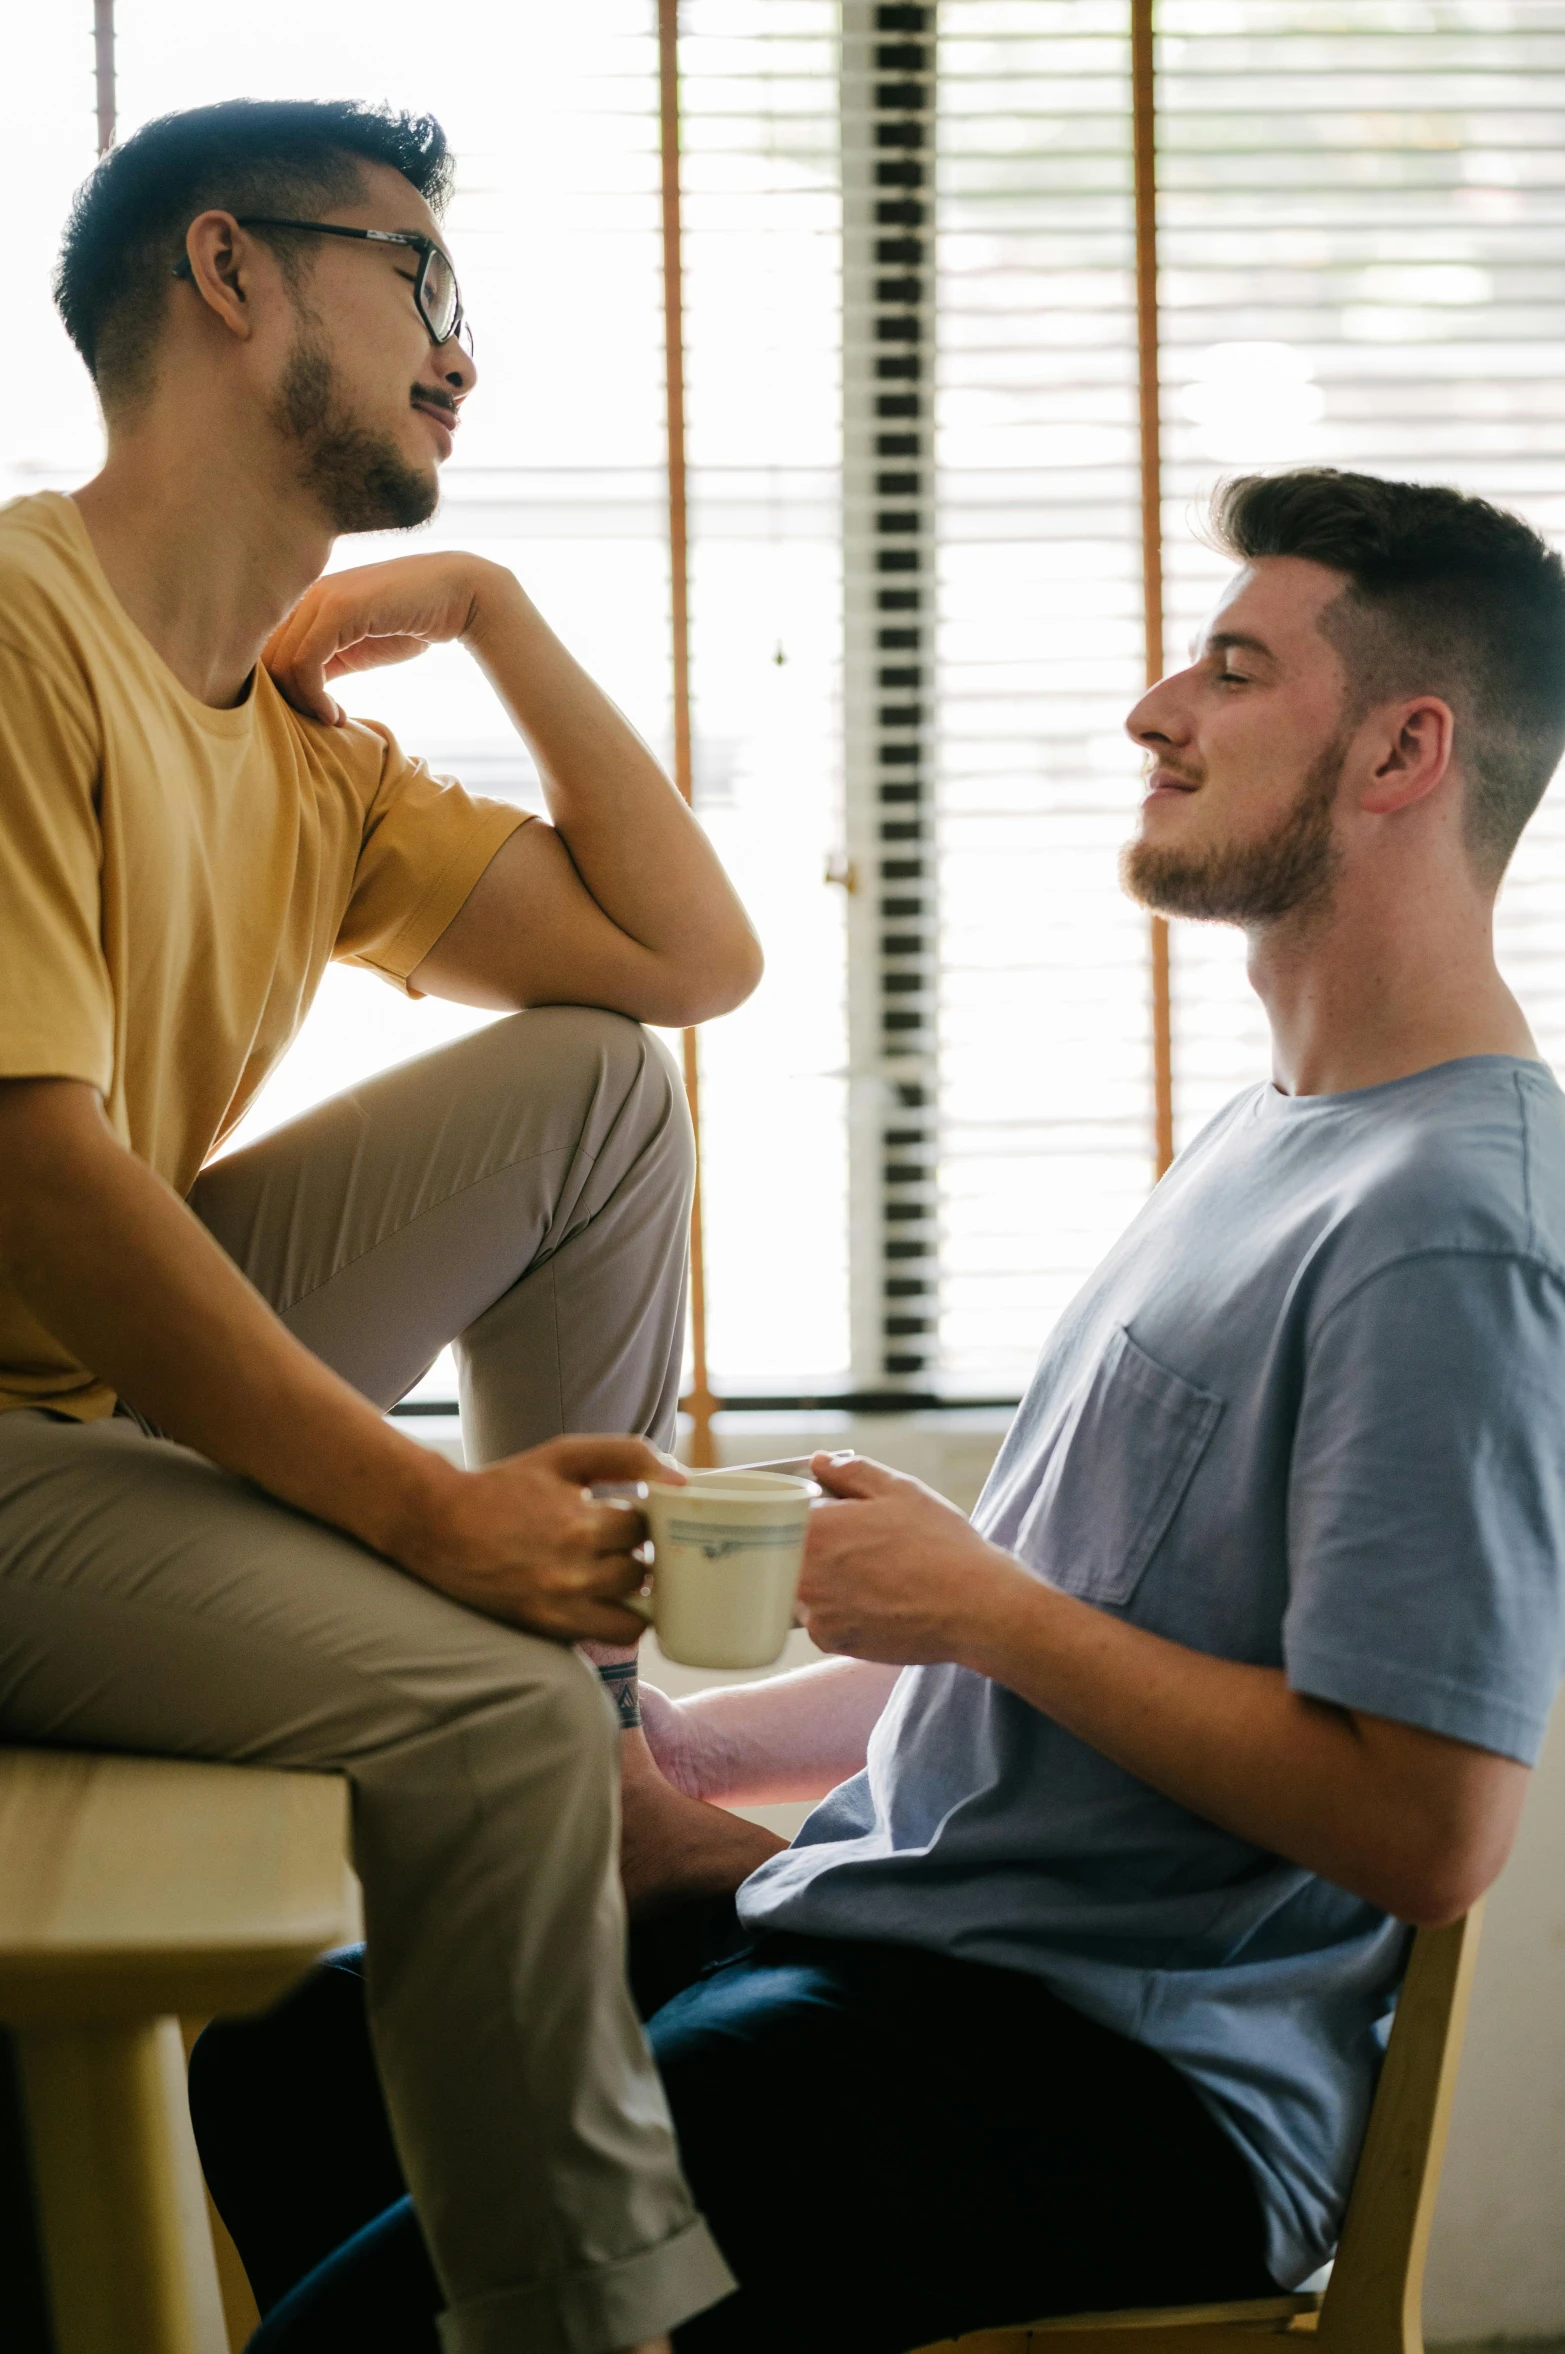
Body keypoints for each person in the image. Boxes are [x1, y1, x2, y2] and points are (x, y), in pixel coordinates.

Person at [189, 465, 1565, 2353]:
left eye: (1235, 670)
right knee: (287, 2056)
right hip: (924, 1957)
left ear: (1409, 749)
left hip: (1111, 2078)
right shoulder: (1276, 1134)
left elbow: (1427, 1826)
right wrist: (702, 1757)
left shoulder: (1449, 1228)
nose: (1157, 709)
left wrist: (973, 1603)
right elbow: (1085, 1629)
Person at [0, 95, 768, 2354]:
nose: (462, 355)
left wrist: (492, 615)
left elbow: (681, 961)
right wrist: (435, 1527)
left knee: (596, 1091)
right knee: (477, 1719)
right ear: (227, 275)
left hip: (73, 1381)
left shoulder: (296, 749)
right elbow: (40, 1170)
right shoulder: (15, 631)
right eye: (420, 281)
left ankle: (612, 1737)